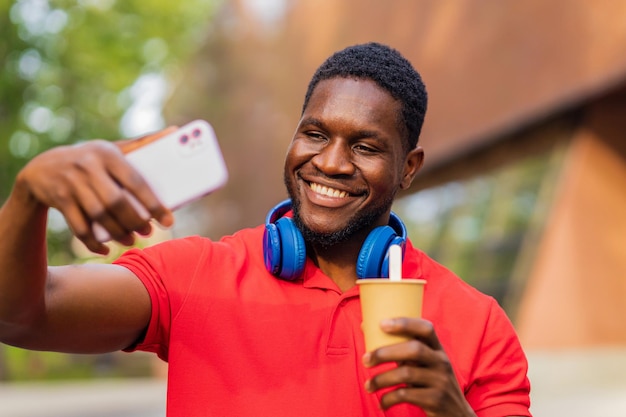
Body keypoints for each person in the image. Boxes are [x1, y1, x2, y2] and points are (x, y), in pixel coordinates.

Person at [0, 42, 531, 417]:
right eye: (315, 134)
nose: (331, 163)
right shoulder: (197, 274)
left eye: (366, 147)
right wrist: (28, 199)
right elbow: (20, 316)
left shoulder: (479, 324)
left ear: (409, 168)